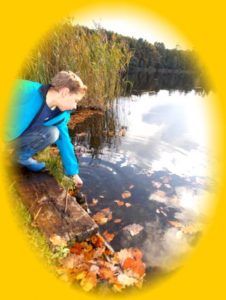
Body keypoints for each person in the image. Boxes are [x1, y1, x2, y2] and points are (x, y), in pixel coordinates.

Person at [6, 71, 87, 188]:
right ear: (65, 92)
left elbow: (65, 141)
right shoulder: (25, 90)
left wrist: (73, 173)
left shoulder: (61, 115)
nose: (75, 106)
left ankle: (20, 157)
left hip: (17, 139)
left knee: (53, 133)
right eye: (75, 101)